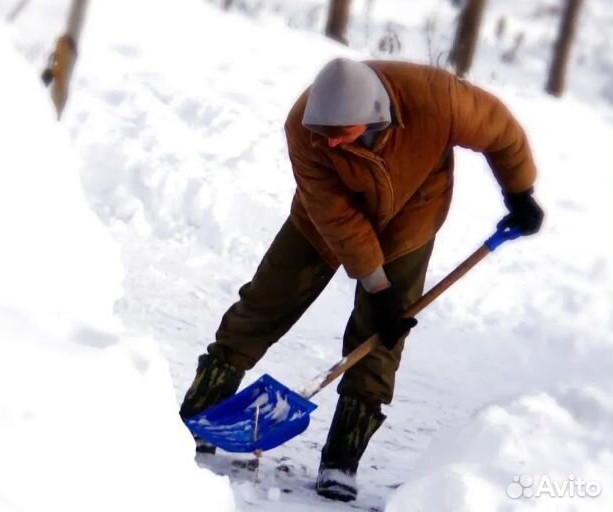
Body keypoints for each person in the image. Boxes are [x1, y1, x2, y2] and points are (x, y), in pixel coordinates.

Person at [179, 58, 544, 502]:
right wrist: (378, 285)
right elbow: (339, 220)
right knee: (266, 301)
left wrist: (519, 192)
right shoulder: (304, 126)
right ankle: (200, 414)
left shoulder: (437, 99)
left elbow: (501, 132)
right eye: (324, 132)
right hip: (321, 221)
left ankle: (342, 458)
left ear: (374, 114)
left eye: (340, 132)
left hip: (411, 217)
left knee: (380, 337)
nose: (329, 141)